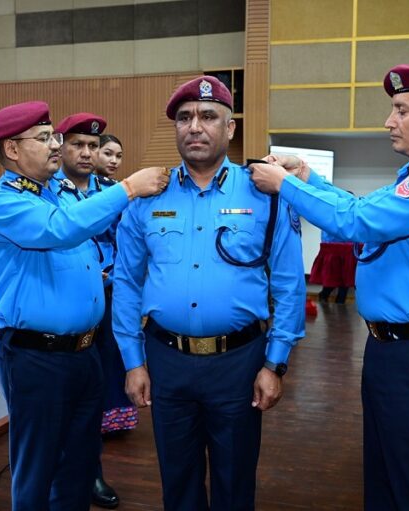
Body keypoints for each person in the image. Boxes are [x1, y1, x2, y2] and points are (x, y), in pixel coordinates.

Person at [249, 57, 409, 510]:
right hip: (396, 349)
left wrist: (284, 185)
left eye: (402, 110)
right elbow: (358, 206)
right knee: (386, 477)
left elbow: (355, 221)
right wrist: (306, 176)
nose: (389, 121)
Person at [112, 76, 306, 511]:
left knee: (235, 480)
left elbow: (289, 284)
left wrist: (275, 363)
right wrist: (132, 361)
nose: (195, 126)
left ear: (230, 127)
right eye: (184, 118)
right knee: (177, 480)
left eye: (208, 116)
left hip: (239, 363)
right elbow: (126, 282)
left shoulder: (266, 193)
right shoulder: (147, 195)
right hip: (167, 360)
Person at [0, 100, 169, 511]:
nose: (55, 145)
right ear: (12, 149)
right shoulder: (2, 202)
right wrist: (128, 188)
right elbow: (60, 230)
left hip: (85, 353)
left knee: (80, 464)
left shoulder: (60, 194)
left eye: (54, 136)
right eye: (44, 138)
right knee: (38, 466)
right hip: (36, 357)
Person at [50, 112, 124, 509]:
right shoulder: (47, 192)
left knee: (98, 389)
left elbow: (128, 241)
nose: (86, 153)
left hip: (107, 299)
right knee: (63, 399)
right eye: (77, 144)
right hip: (67, 301)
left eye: (93, 146)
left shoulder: (110, 191)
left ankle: (92, 470)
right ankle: (66, 474)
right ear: (60, 147)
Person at [310, 230, 356, 303]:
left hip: (348, 248)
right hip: (333, 248)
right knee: (331, 280)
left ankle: (339, 302)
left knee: (345, 282)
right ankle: (324, 296)